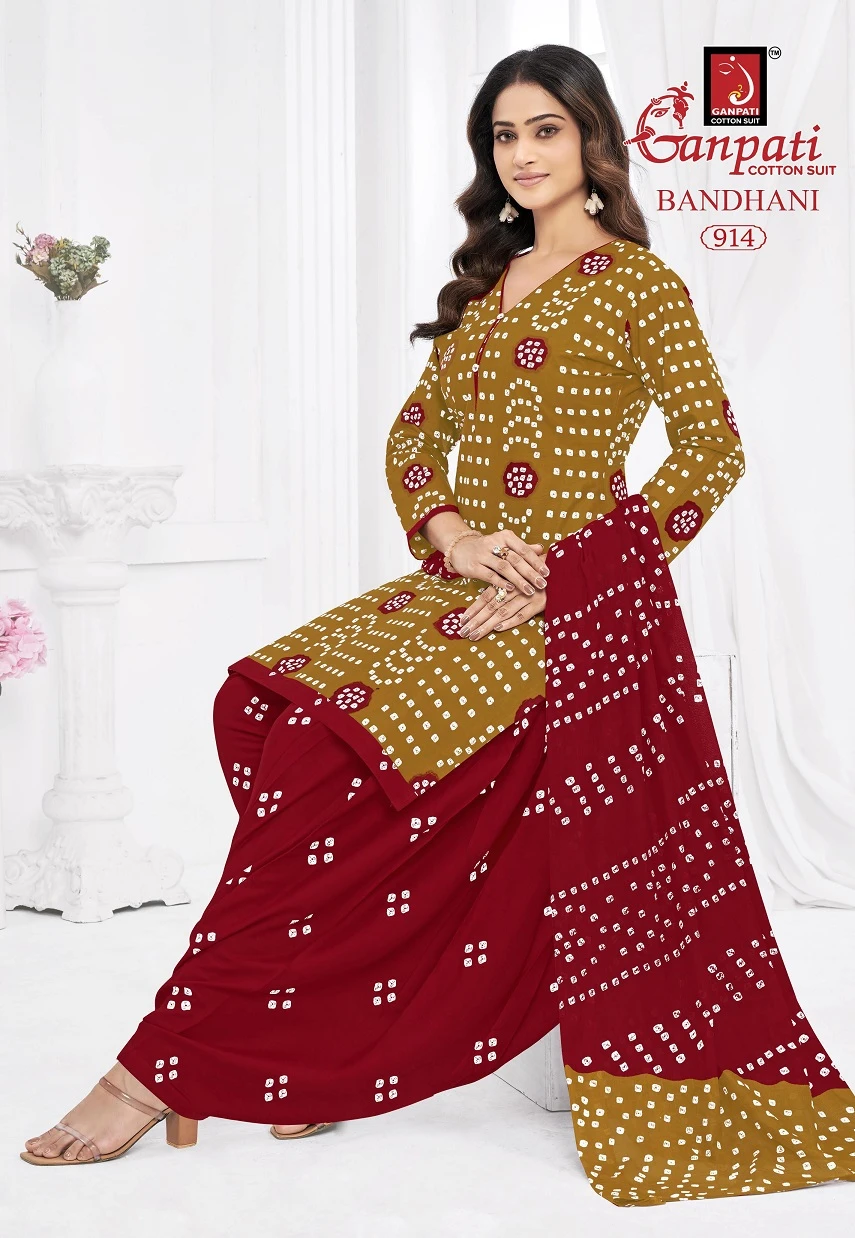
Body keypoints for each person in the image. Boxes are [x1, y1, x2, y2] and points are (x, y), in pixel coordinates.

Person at [21, 44, 762, 1200]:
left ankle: (157, 1069)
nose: (523, 155)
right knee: (275, 719)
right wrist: (454, 534)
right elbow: (415, 438)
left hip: (578, 609)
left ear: (593, 141)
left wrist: (571, 574)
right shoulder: (488, 288)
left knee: (332, 760)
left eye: (545, 130)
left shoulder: (639, 286)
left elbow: (713, 451)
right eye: (505, 136)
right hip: (465, 584)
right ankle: (315, 1048)